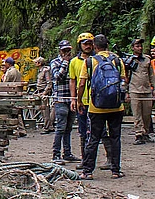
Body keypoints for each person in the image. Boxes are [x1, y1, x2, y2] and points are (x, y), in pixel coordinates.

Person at [78, 34, 126, 180]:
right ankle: (115, 170)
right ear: (107, 45)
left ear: (95, 46)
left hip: (96, 107)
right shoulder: (117, 60)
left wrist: (79, 100)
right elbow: (124, 81)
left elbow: (81, 84)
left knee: (93, 138)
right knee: (115, 137)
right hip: (116, 107)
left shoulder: (89, 62)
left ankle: (87, 172)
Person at [70, 32, 112, 169]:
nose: (87, 46)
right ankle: (85, 159)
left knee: (103, 132)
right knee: (83, 132)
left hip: (99, 101)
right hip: (83, 101)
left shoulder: (98, 60)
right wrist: (74, 99)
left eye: (89, 43)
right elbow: (73, 81)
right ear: (80, 45)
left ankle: (110, 159)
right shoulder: (74, 62)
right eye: (85, 44)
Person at [50, 40, 79, 164]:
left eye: (68, 50)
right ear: (60, 51)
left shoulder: (74, 62)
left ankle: (67, 153)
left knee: (69, 128)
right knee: (60, 128)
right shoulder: (55, 62)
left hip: (71, 98)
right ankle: (56, 154)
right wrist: (65, 63)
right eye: (64, 50)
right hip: (60, 99)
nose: (67, 52)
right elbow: (57, 77)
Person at [127, 38, 155, 144]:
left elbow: (151, 75)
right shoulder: (129, 60)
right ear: (133, 48)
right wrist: (125, 91)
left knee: (147, 114)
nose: (140, 48)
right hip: (134, 90)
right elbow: (126, 76)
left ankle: (146, 133)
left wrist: (153, 87)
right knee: (137, 114)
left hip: (147, 90)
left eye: (140, 46)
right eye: (137, 46)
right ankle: (138, 134)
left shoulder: (147, 59)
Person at [2, 57, 27, 137]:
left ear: (8, 64)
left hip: (11, 94)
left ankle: (14, 130)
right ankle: (21, 129)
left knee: (11, 112)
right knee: (18, 112)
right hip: (18, 94)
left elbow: (5, 83)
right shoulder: (17, 71)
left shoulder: (10, 72)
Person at [33, 57, 53, 134]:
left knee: (45, 111)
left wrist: (45, 92)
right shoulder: (40, 71)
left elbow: (49, 83)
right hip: (39, 92)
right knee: (42, 110)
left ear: (39, 63)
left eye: (36, 62)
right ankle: (49, 125)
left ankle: (47, 127)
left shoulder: (45, 71)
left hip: (44, 93)